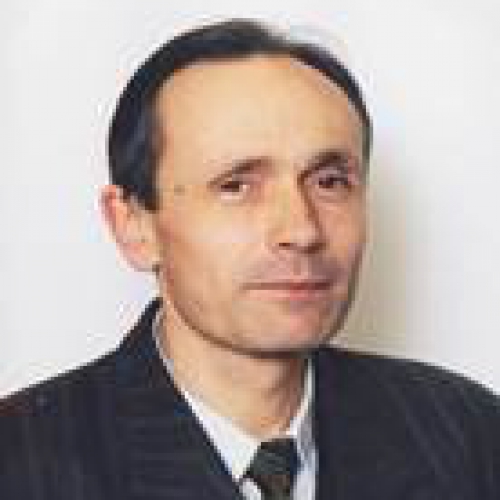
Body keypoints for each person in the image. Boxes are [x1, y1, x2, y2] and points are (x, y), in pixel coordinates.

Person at [1, 18, 499, 500]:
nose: (302, 231)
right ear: (132, 224)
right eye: (236, 186)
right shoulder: (22, 460)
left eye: (329, 182)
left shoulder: (468, 433)